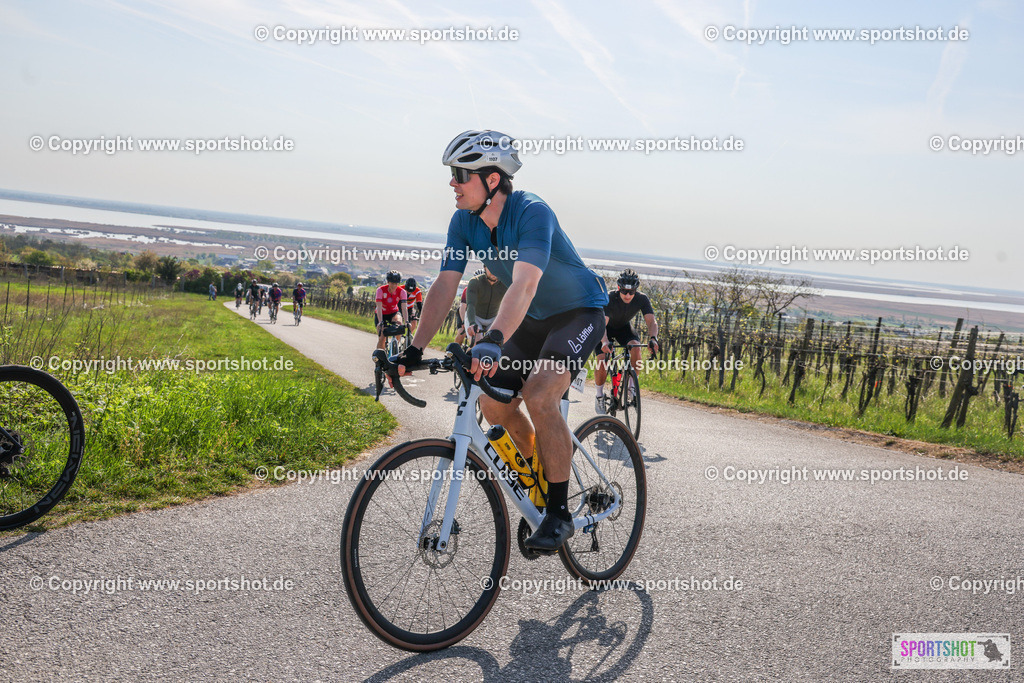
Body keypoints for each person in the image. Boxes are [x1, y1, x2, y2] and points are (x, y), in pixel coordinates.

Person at [393, 129, 608, 551]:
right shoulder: (463, 222)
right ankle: (538, 483)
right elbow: (444, 285)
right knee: (492, 402)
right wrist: (414, 349)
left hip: (578, 311)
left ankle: (560, 514)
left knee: (541, 393)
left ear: (493, 180)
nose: (452, 183)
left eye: (461, 174)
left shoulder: (532, 212)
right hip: (531, 319)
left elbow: (525, 284)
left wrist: (492, 338)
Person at [594, 269, 659, 413]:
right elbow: (602, 324)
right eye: (624, 291)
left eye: (632, 292)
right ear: (618, 288)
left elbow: (651, 321)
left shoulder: (642, 299)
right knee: (602, 360)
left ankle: (631, 386)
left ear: (636, 290)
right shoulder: (609, 298)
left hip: (623, 328)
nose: (628, 295)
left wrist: (654, 339)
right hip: (603, 329)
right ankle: (599, 395)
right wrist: (604, 342)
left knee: (636, 346)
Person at [465, 265, 508, 343]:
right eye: (491, 268)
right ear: (485, 267)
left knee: (495, 345)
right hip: (475, 317)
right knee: (477, 343)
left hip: (493, 318)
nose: (494, 272)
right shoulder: (475, 281)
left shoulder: (505, 284)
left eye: (497, 269)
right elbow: (471, 304)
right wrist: (472, 323)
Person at [375, 270, 408, 351]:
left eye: (396, 283)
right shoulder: (380, 290)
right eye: (392, 283)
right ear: (388, 282)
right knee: (382, 336)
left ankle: (395, 348)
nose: (394, 285)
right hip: (381, 313)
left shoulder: (402, 292)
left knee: (399, 325)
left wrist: (407, 321)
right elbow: (378, 307)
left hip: (393, 313)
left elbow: (404, 308)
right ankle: (380, 358)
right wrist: (380, 322)